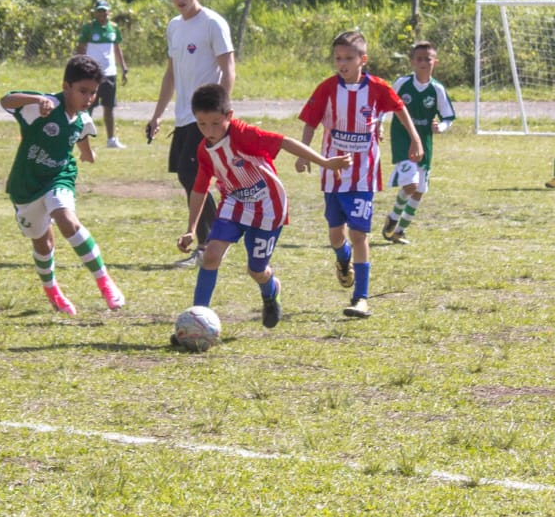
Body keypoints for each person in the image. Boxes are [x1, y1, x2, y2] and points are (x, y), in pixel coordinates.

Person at [173, 84, 352, 341]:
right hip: (234, 202)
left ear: (229, 115)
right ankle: (196, 321)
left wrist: (324, 162)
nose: (209, 131)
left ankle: (271, 290)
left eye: (215, 123)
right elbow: (200, 188)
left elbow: (285, 142)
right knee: (210, 256)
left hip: (268, 207)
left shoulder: (245, 134)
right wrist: (191, 228)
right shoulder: (204, 150)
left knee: (256, 269)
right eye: (202, 124)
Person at [295, 30, 423, 319]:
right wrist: (304, 153)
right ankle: (343, 261)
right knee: (335, 235)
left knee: (359, 234)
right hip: (332, 174)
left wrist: (414, 139)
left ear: (362, 59)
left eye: (348, 58)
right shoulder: (327, 88)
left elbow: (400, 109)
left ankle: (361, 298)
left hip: (363, 176)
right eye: (338, 58)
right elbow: (310, 123)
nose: (342, 63)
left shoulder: (377, 87)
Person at [1, 54, 126, 316]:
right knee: (42, 243)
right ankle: (53, 292)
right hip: (26, 186)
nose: (89, 98)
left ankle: (105, 282)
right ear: (66, 86)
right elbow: (6, 100)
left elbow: (79, 132)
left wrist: (87, 153)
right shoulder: (44, 106)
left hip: (59, 176)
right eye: (83, 91)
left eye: (93, 93)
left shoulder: (82, 117)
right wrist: (37, 99)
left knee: (66, 218)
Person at [145, 0, 236, 268]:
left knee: (193, 176)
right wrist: (157, 115)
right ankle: (210, 241)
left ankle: (209, 244)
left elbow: (229, 68)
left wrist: (220, 114)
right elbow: (171, 74)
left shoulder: (212, 23)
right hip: (184, 118)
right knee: (188, 177)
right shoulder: (174, 26)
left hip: (206, 117)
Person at [381, 41, 455, 244]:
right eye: (419, 59)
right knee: (411, 184)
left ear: (435, 62)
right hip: (402, 139)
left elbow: (448, 116)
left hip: (425, 141)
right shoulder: (402, 83)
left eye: (427, 59)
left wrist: (440, 127)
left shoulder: (437, 89)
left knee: (420, 190)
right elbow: (383, 104)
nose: (423, 62)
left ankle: (399, 231)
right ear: (412, 62)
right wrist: (379, 124)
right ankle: (393, 219)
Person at [75, 0, 129, 148]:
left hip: (110, 73)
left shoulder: (113, 28)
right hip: (92, 74)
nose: (102, 14)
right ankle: (81, 137)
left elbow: (117, 49)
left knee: (109, 107)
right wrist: (80, 67)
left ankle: (111, 139)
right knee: (87, 106)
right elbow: (80, 48)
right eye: (99, 11)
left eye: (104, 11)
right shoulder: (89, 28)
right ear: (95, 13)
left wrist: (123, 67)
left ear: (108, 12)